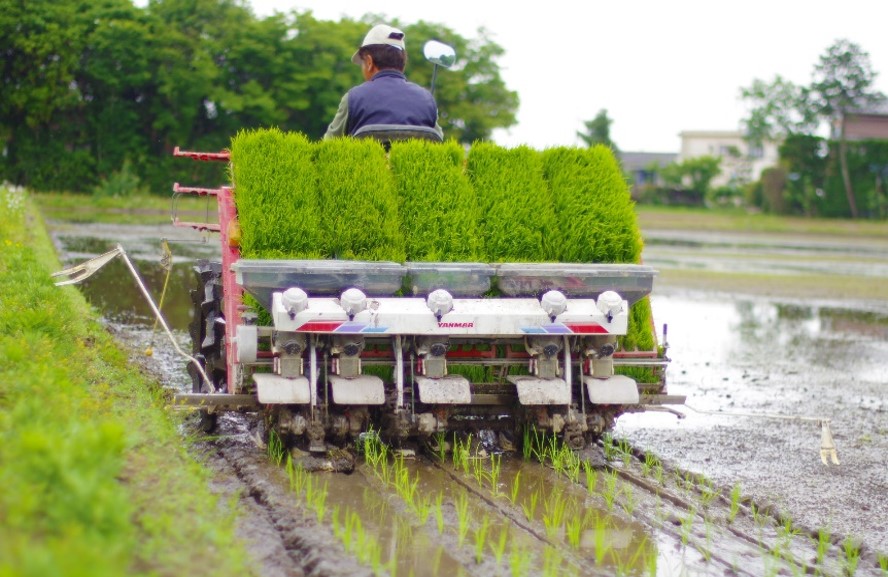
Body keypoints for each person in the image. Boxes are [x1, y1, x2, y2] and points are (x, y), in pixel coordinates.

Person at [323, 24, 443, 140]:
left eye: (363, 63)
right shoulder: (427, 100)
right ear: (403, 64)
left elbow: (328, 147)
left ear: (369, 62)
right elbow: (441, 144)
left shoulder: (353, 99)